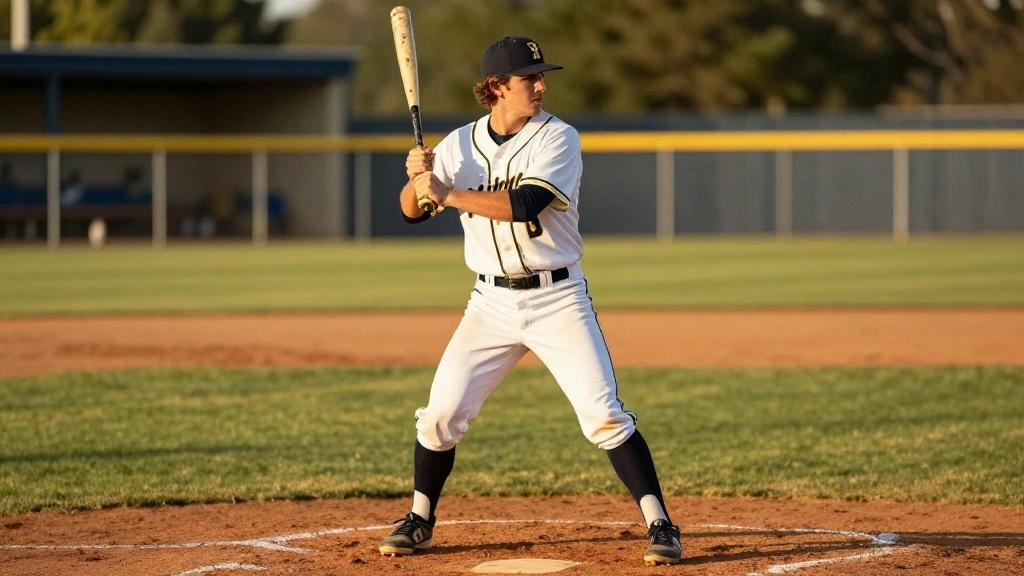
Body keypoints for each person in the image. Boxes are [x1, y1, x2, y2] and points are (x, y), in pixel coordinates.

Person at [378, 36, 682, 566]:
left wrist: (444, 192)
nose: (540, 85)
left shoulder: (558, 137)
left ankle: (661, 523)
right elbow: (410, 212)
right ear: (497, 87)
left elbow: (524, 204)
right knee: (439, 416)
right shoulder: (457, 144)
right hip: (489, 304)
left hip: (558, 299)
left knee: (603, 416)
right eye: (529, 78)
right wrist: (417, 179)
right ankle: (420, 519)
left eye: (542, 76)